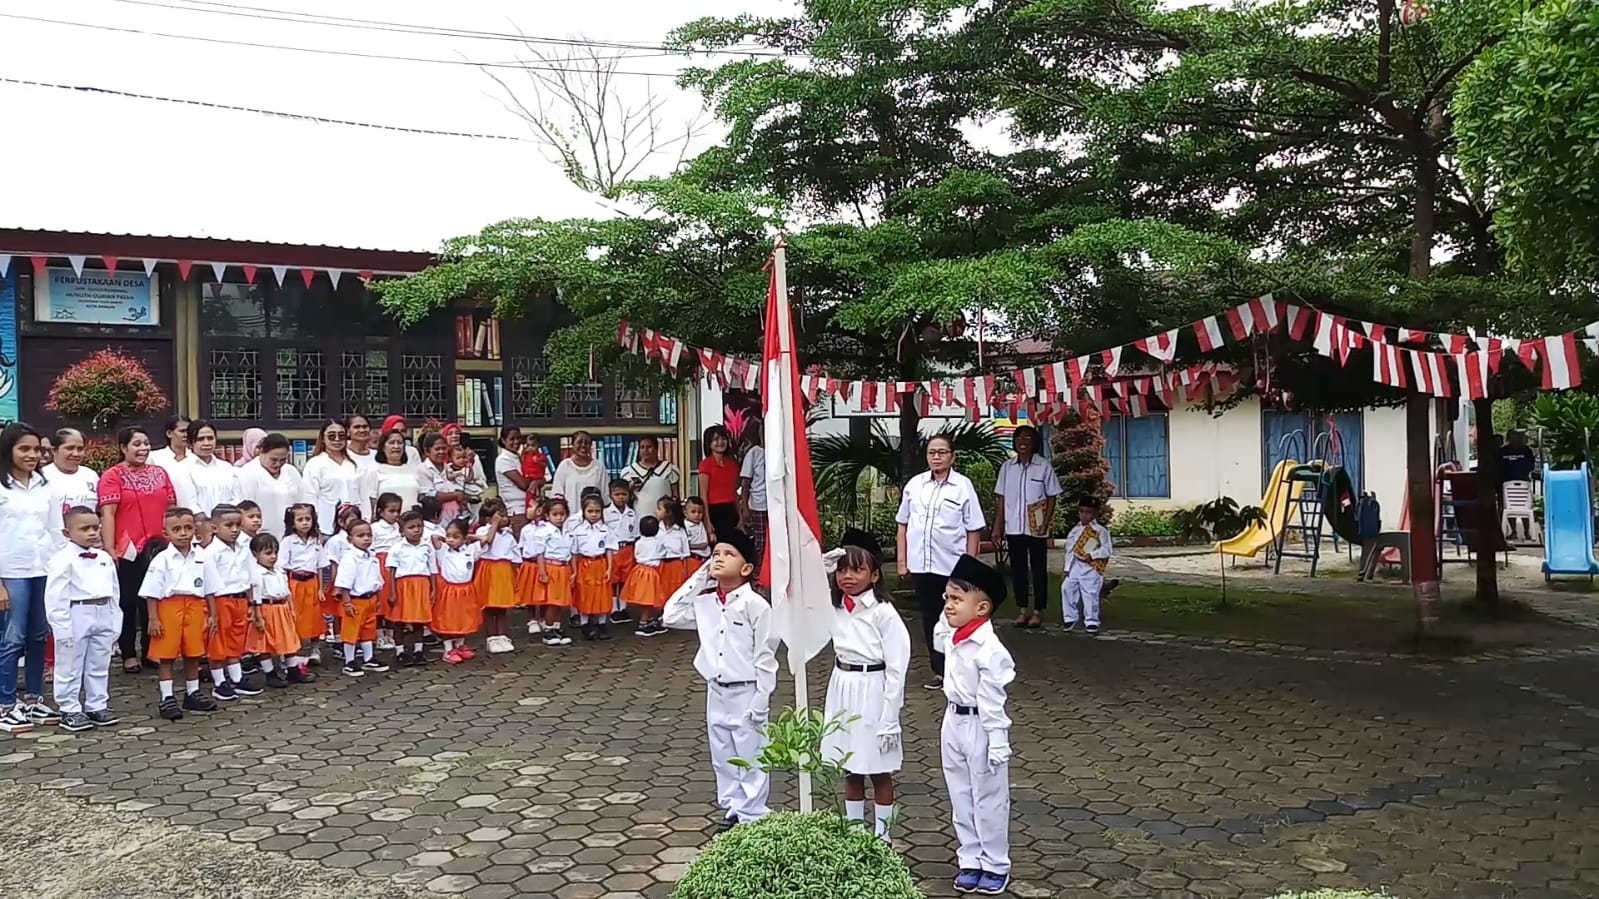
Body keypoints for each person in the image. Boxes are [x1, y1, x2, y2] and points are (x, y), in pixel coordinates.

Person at [662, 529, 775, 832]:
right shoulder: (706, 603)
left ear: (747, 568)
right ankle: (733, 809)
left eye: (729, 554)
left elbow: (766, 657)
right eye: (716, 554)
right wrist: (701, 575)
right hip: (717, 690)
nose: (719, 559)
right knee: (722, 754)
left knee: (751, 754)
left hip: (746, 690)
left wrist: (762, 698)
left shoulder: (756, 605)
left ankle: (753, 814)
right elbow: (671, 615)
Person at [821, 528, 910, 844]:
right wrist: (822, 568)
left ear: (874, 575)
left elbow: (897, 667)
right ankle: (854, 832)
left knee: (878, 768)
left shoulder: (883, 613)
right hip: (843, 686)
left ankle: (883, 836)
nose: (847, 576)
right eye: (842, 569)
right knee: (851, 766)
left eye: (857, 569)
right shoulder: (833, 606)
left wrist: (890, 717)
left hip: (873, 688)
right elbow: (801, 599)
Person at [934, 554, 1016, 895]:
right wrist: (947, 607)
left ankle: (996, 862)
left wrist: (998, 740)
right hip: (952, 720)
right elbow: (939, 632)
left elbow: (993, 700)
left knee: (989, 797)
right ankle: (970, 857)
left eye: (956, 599)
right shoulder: (953, 636)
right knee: (961, 794)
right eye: (947, 597)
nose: (949, 605)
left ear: (982, 608)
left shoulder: (989, 648)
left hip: (980, 724)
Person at [895, 434, 985, 690]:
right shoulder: (915, 485)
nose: (936, 457)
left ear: (952, 456)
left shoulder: (963, 486)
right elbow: (903, 524)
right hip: (922, 566)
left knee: (956, 617)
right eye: (932, 452)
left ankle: (960, 670)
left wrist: (970, 567)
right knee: (930, 618)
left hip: (952, 567)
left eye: (942, 452)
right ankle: (940, 670)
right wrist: (903, 561)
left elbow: (974, 529)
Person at [98, 425, 179, 675]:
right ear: (123, 448)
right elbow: (108, 513)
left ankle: (150, 650)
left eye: (145, 443)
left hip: (158, 547)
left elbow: (172, 507)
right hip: (128, 547)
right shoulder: (113, 475)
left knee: (153, 600)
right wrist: (110, 547)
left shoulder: (160, 473)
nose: (143, 448)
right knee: (128, 602)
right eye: (136, 444)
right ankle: (129, 653)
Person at [0, 422, 62, 732]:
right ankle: (6, 704)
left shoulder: (44, 485)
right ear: (8, 450)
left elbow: (55, 530)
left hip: (44, 570)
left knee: (39, 635)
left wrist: (64, 569)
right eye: (24, 449)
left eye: (36, 449)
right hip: (11, 573)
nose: (32, 455)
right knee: (12, 639)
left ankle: (34, 699)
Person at [44, 506, 122, 732]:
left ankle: (96, 704)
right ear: (67, 533)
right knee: (70, 664)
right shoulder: (62, 559)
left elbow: (114, 591)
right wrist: (61, 627)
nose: (92, 533)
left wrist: (115, 620)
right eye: (84, 529)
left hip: (103, 611)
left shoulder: (104, 557)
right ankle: (69, 707)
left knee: (99, 663)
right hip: (76, 613)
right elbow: (56, 595)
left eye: (95, 528)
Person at [139, 507, 220, 721]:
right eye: (177, 529)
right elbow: (151, 592)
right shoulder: (162, 560)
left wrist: (213, 614)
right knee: (166, 655)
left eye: (187, 528)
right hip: (168, 608)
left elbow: (211, 588)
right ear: (166, 533)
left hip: (195, 606)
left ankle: (192, 692)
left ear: (195, 529)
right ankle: (167, 697)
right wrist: (153, 617)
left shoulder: (202, 556)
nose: (183, 533)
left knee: (193, 653)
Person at [992, 426, 1062, 630]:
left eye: (1028, 438)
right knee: (1018, 570)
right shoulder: (1007, 467)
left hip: (1036, 529)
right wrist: (997, 527)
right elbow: (1002, 499)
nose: (1023, 442)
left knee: (1039, 570)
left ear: (1034, 442)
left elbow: (1052, 496)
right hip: (1014, 528)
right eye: (1019, 438)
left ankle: (1038, 611)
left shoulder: (1043, 466)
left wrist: (1046, 522)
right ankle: (1022, 610)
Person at [201, 504, 260, 701]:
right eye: (229, 525)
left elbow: (251, 576)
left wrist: (252, 602)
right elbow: (209, 584)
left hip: (240, 598)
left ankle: (236, 678)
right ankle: (219, 682)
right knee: (218, 641)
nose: (234, 530)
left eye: (237, 525)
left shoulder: (243, 548)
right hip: (220, 600)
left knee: (237, 639)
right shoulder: (211, 552)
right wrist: (212, 612)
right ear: (215, 527)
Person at [332, 520, 388, 677]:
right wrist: (347, 602)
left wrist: (376, 597)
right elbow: (344, 582)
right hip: (355, 600)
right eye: (360, 535)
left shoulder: (372, 556)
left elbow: (376, 579)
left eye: (369, 535)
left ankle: (369, 658)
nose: (366, 539)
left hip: (370, 599)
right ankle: (349, 661)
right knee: (351, 631)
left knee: (368, 630)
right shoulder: (349, 558)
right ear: (350, 539)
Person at [386, 508, 436, 668]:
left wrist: (433, 589)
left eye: (419, 526)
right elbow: (392, 571)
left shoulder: (427, 547)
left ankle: (418, 651)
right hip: (403, 586)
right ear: (402, 530)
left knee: (418, 621)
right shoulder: (397, 548)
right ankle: (400, 651)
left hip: (421, 585)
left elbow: (432, 570)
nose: (416, 530)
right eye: (411, 527)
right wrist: (392, 592)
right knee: (400, 621)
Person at [281, 503, 327, 666]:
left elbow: (320, 566)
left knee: (314, 617)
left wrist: (321, 588)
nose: (305, 522)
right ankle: (294, 651)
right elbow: (282, 567)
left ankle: (315, 648)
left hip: (312, 583)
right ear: (293, 523)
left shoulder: (316, 542)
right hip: (295, 583)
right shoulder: (288, 541)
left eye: (308, 519)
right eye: (300, 519)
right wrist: (285, 589)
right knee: (295, 617)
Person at [436, 518, 487, 664]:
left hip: (466, 590)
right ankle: (448, 650)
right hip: (450, 591)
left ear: (464, 538)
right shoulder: (444, 550)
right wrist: (446, 539)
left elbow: (485, 539)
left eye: (456, 536)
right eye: (449, 535)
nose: (451, 539)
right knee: (449, 620)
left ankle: (459, 646)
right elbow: (434, 538)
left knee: (463, 619)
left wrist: (469, 537)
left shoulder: (470, 550)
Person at [301, 420, 364, 538]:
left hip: (354, 528)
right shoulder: (315, 464)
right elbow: (309, 497)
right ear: (323, 439)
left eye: (341, 435)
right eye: (331, 436)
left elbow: (363, 495)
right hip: (325, 527)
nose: (337, 439)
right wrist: (314, 527)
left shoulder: (354, 463)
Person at [235, 433, 303, 539]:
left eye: (282, 460)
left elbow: (301, 501)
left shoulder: (291, 471)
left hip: (291, 536)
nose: (278, 464)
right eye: (274, 460)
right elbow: (244, 508)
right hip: (260, 536)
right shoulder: (247, 473)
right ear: (261, 452)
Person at [1062, 495, 1113, 635]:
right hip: (1075, 566)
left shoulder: (1100, 531)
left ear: (1095, 513)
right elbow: (1069, 551)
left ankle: (1091, 621)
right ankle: (1070, 618)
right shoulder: (1074, 530)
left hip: (1090, 567)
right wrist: (1067, 568)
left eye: (1089, 512)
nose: (1085, 515)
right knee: (1067, 588)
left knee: (1090, 594)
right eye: (1082, 511)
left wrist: (1093, 555)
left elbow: (1107, 549)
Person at [471, 499, 516, 655]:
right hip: (489, 569)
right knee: (489, 606)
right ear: (489, 519)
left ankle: (502, 635)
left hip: (503, 570)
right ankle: (491, 638)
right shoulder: (483, 531)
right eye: (499, 516)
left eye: (505, 515)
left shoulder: (508, 535)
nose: (504, 519)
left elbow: (514, 555)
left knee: (502, 606)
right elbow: (487, 542)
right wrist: (494, 525)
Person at [43, 428, 100, 547]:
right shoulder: (42, 477)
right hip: (53, 549)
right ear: (54, 450)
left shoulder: (91, 476)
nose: (76, 453)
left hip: (89, 549)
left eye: (80, 449)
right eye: (69, 448)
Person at [571, 494, 617, 641]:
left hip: (600, 564)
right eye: (590, 511)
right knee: (585, 594)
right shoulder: (578, 531)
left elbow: (609, 549)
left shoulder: (606, 529)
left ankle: (602, 625)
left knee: (602, 594)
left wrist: (609, 568)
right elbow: (574, 552)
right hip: (584, 565)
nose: (593, 514)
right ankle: (586, 625)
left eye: (597, 511)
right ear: (583, 511)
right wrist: (574, 571)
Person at [533, 498, 576, 646]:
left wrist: (574, 571)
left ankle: (557, 627)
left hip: (565, 568)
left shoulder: (569, 532)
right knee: (552, 601)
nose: (559, 517)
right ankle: (548, 629)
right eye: (555, 514)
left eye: (562, 514)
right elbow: (540, 554)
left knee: (561, 602)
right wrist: (543, 572)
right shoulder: (544, 532)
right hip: (551, 568)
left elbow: (572, 553)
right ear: (547, 516)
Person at [176, 420, 240, 517]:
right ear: (190, 443)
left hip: (229, 525)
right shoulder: (182, 469)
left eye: (210, 438)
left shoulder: (227, 468)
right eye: (200, 439)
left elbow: (236, 498)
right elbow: (190, 505)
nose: (206, 443)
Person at [622, 515, 666, 636]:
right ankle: (643, 623)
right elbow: (662, 553)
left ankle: (649, 620)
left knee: (647, 598)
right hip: (650, 572)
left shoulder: (639, 542)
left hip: (639, 570)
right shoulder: (657, 542)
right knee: (649, 599)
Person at [696, 425, 741, 541]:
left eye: (723, 438)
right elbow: (703, 496)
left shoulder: (733, 464)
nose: (720, 442)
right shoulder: (705, 464)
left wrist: (741, 517)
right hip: (714, 511)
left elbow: (735, 493)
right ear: (709, 443)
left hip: (731, 510)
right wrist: (707, 521)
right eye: (716, 439)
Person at [371, 493, 403, 652]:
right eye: (391, 511)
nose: (395, 515)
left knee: (393, 599)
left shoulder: (398, 527)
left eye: (398, 511)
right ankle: (379, 634)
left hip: (395, 566)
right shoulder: (374, 528)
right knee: (380, 601)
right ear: (381, 512)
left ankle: (390, 632)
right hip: (380, 565)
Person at [604, 478, 638, 624]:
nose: (621, 497)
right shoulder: (605, 513)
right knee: (613, 580)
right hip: (613, 550)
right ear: (611, 495)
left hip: (628, 549)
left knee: (625, 580)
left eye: (624, 494)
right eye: (617, 494)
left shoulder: (632, 513)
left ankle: (623, 608)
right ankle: (613, 609)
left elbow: (636, 534)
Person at [623, 436, 680, 521]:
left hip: (664, 516)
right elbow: (624, 496)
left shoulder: (668, 469)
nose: (645, 450)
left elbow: (675, 494)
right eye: (642, 447)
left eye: (649, 447)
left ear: (656, 449)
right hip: (640, 515)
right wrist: (630, 488)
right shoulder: (630, 471)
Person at [368, 428, 422, 516]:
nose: (396, 446)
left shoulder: (414, 470)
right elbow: (372, 501)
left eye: (400, 443)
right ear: (383, 447)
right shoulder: (375, 471)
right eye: (391, 442)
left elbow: (421, 496)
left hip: (413, 522)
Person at [738, 419, 769, 567]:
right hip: (759, 504)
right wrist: (744, 507)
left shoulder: (780, 450)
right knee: (760, 541)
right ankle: (758, 573)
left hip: (777, 504)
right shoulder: (754, 453)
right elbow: (745, 483)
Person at [551, 430, 610, 505]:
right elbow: (557, 495)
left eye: (587, 443)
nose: (583, 445)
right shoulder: (565, 466)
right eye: (579, 442)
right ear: (572, 444)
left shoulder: (598, 467)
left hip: (593, 514)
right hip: (570, 514)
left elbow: (605, 495)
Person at [418, 432, 466, 522]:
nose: (441, 452)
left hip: (455, 517)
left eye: (444, 448)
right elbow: (430, 495)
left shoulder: (449, 468)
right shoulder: (423, 470)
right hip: (436, 520)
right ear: (427, 451)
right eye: (437, 449)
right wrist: (456, 495)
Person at [493, 426, 532, 531]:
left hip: (530, 508)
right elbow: (523, 484)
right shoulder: (503, 460)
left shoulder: (519, 456)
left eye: (518, 438)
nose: (516, 442)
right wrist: (534, 479)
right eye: (512, 439)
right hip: (517, 510)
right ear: (503, 440)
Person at [656, 497, 692, 600]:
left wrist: (685, 572)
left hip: (676, 566)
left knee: (675, 591)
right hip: (661, 565)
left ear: (669, 512)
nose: (656, 512)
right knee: (661, 590)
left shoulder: (680, 531)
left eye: (659, 509)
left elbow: (685, 554)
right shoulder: (656, 529)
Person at [147, 415, 192, 483]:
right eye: (182, 431)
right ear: (169, 433)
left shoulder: (195, 457)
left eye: (188, 431)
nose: (186, 435)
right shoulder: (154, 458)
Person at [684, 496, 713, 562]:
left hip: (706, 556)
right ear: (686, 513)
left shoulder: (701, 524)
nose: (697, 515)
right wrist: (699, 546)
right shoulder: (685, 526)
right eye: (693, 512)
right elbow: (684, 545)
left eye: (700, 512)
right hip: (692, 557)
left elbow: (705, 543)